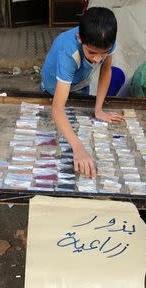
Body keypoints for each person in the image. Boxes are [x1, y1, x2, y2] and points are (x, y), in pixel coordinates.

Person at [41, 7, 124, 179]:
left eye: (104, 53)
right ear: (80, 39)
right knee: (56, 133)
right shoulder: (68, 53)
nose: (98, 59)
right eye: (92, 52)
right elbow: (57, 109)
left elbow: (105, 71)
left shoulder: (107, 42)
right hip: (53, 88)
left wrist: (98, 110)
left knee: (78, 122)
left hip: (79, 84)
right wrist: (78, 148)